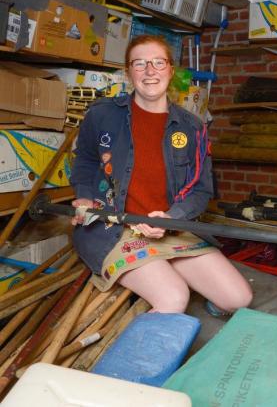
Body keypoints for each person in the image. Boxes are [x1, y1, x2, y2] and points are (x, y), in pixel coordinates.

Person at [70, 34, 253, 314]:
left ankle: (167, 270)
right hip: (115, 228)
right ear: (129, 72)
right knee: (174, 298)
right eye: (140, 63)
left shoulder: (192, 127)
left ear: (170, 70)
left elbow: (201, 190)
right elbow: (84, 160)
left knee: (238, 299)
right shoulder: (102, 115)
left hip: (170, 228)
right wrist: (84, 197)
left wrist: (171, 217)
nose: (150, 71)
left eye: (158, 62)